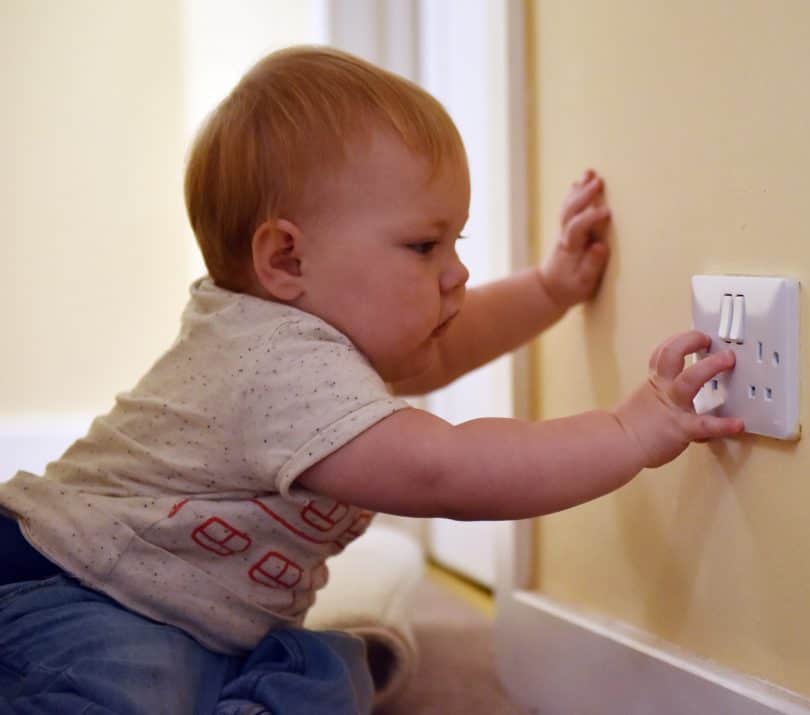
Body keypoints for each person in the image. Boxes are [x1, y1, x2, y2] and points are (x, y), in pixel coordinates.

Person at [0, 46, 743, 714]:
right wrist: (627, 430)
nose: (456, 272)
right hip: (73, 588)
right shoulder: (273, 362)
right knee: (140, 684)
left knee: (333, 666)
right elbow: (447, 470)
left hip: (196, 622)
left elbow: (444, 348)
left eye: (455, 239)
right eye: (423, 245)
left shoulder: (325, 338)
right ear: (287, 260)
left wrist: (551, 288)